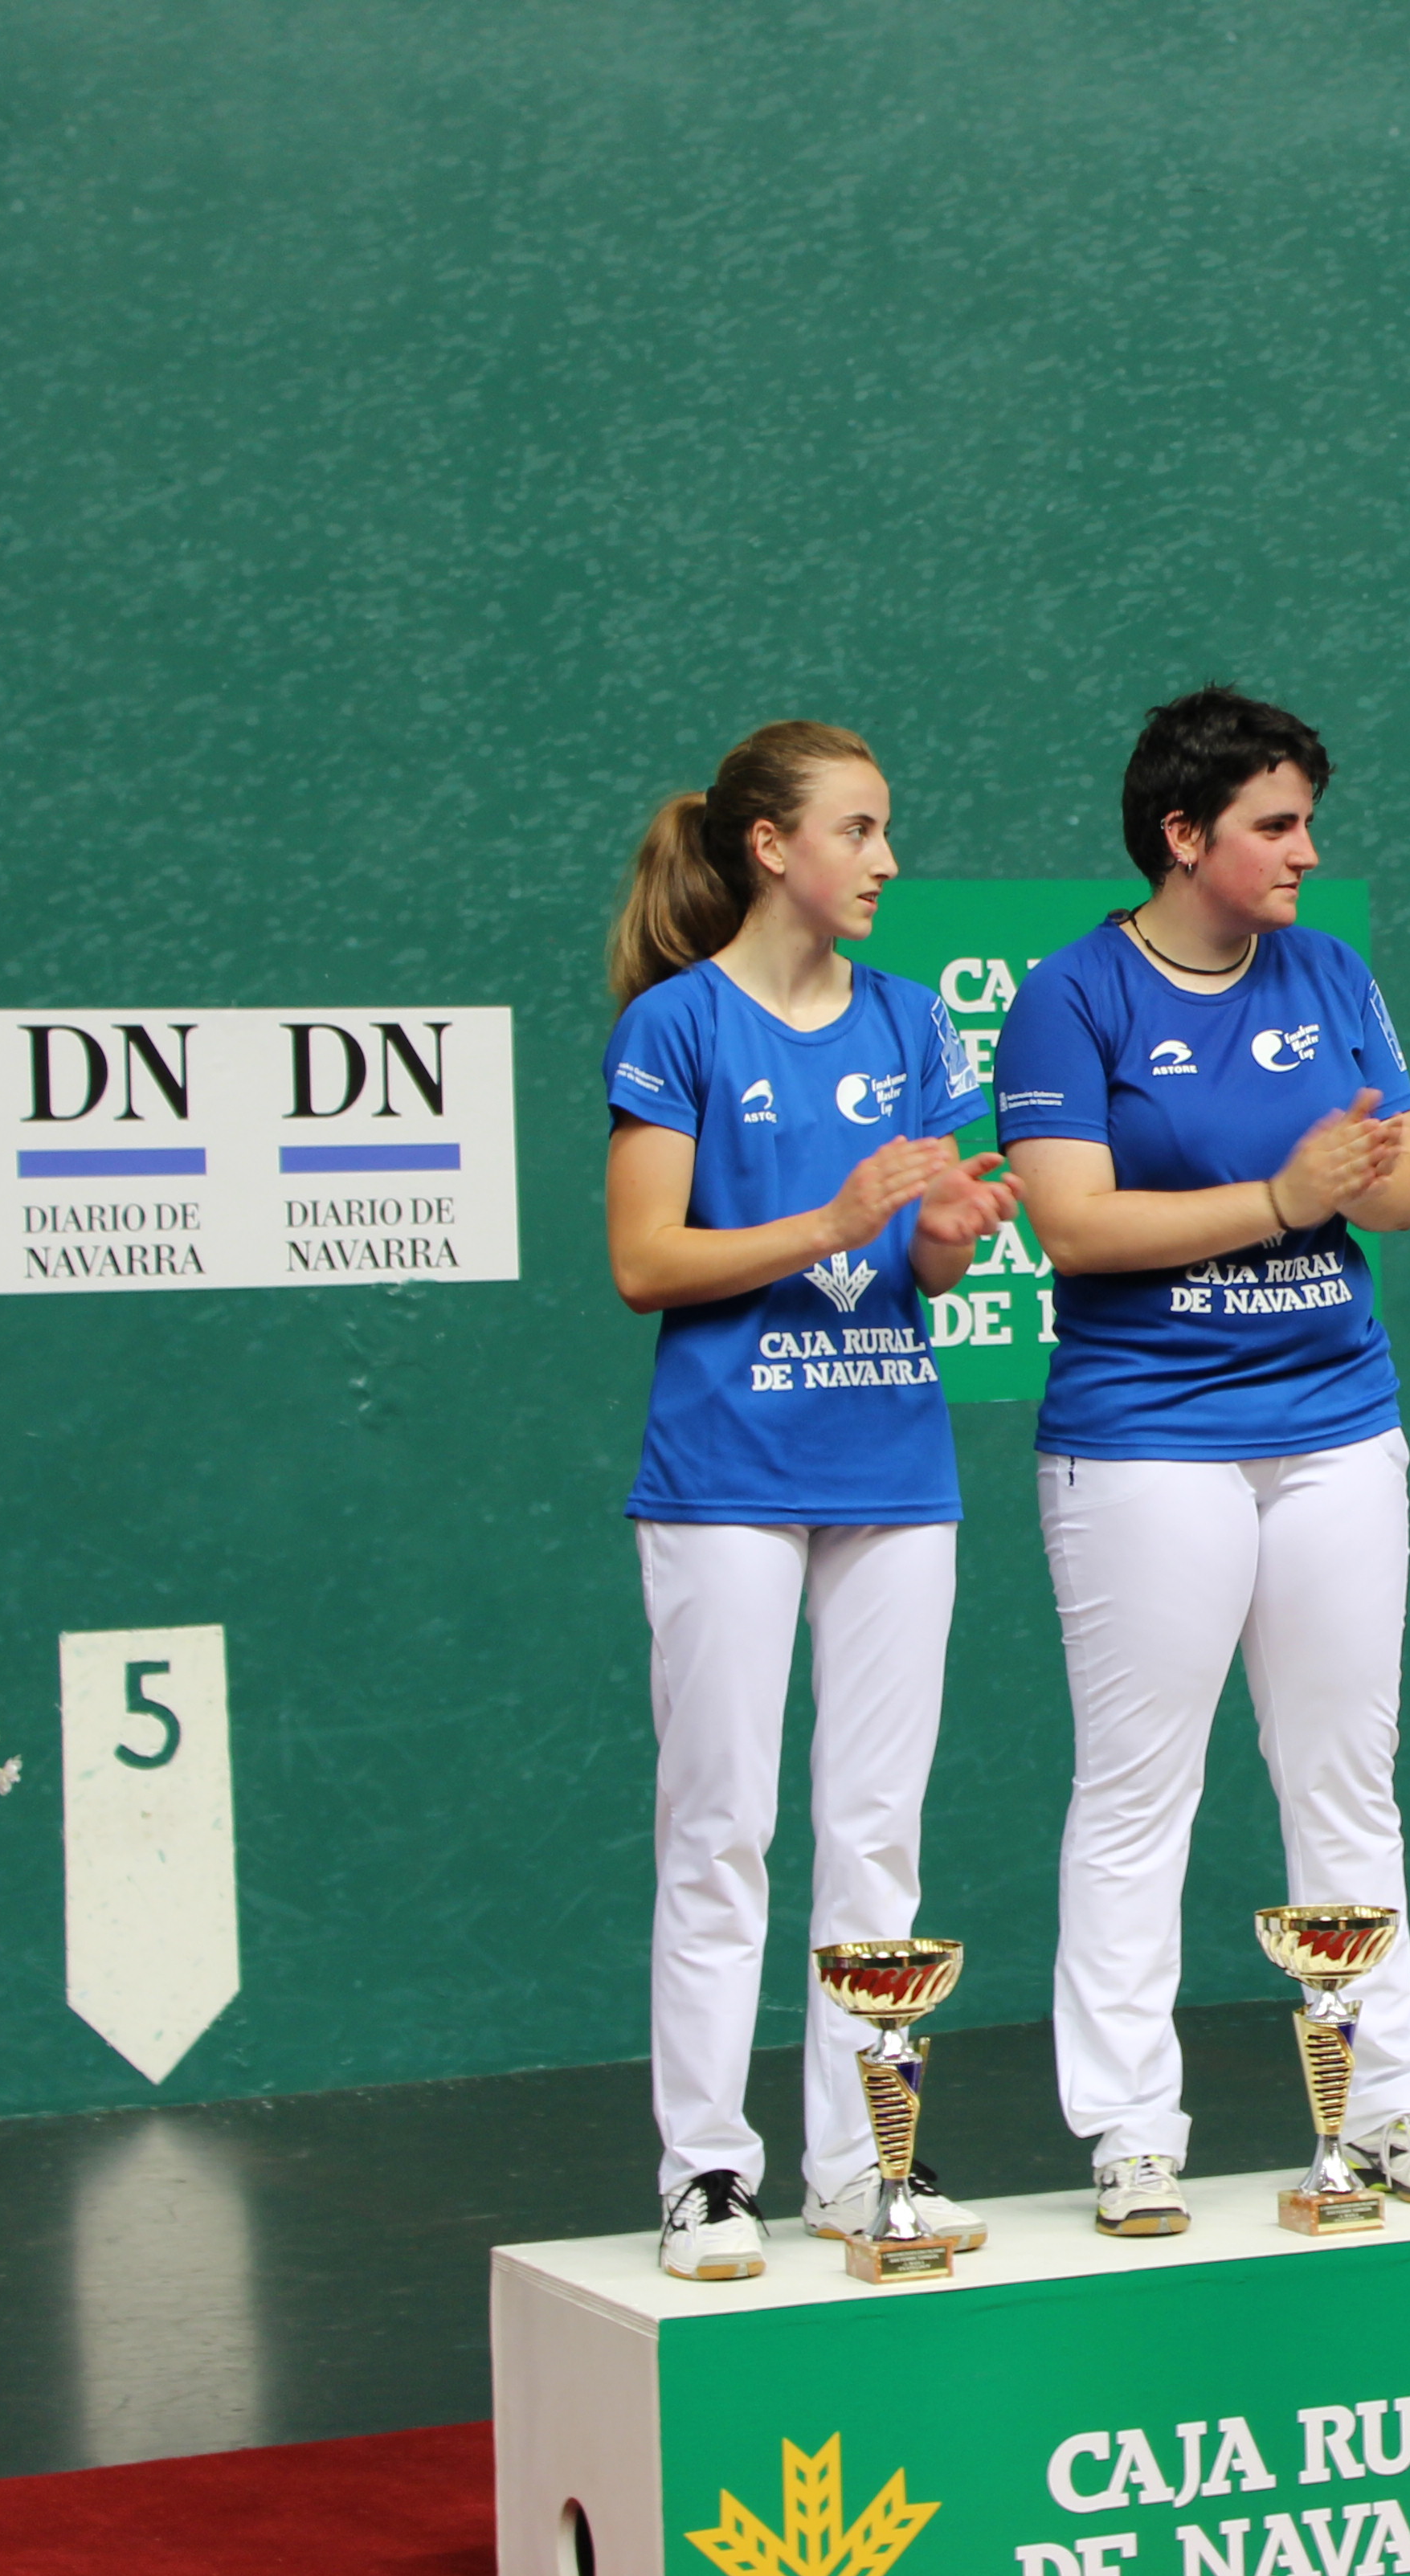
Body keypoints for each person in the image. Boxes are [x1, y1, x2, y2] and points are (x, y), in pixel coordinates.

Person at [996, 685, 1410, 2238]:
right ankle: (1134, 2132)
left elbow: (1402, 1199)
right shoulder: (1071, 998)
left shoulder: (1331, 970)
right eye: (1275, 826)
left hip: (1338, 1429)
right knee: (1142, 1794)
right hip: (1145, 1443)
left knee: (1348, 1784)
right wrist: (1285, 1195)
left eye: (1308, 820)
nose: (1304, 850)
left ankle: (1391, 2106)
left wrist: (1355, 1174)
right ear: (1183, 834)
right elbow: (1074, 1223)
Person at [600, 719, 1017, 2281]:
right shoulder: (680, 1028)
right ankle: (708, 2173)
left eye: (887, 829)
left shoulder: (912, 1023)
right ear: (771, 847)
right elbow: (648, 1261)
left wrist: (950, 1229)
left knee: (877, 1834)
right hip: (723, 1480)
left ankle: (864, 2167)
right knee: (720, 1832)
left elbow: (912, 1251)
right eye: (858, 830)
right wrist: (830, 1216)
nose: (887, 860)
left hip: (895, 1473)